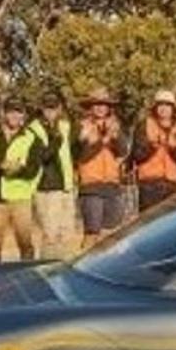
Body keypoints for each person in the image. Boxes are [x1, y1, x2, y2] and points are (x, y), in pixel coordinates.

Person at [0, 96, 45, 264]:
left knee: (26, 244)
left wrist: (18, 169)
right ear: (4, 113)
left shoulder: (32, 138)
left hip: (21, 199)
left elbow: (33, 170)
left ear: (23, 115)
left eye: (18, 112)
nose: (14, 116)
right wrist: (0, 168)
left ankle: (28, 277)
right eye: (11, 111)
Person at [74, 87, 129, 248]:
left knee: (111, 233)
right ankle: (82, 264)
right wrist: (103, 140)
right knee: (92, 233)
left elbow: (123, 151)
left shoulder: (115, 125)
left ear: (108, 107)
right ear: (90, 107)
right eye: (96, 104)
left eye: (103, 104)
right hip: (91, 187)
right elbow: (81, 156)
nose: (100, 107)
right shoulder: (82, 127)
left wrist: (116, 135)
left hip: (112, 185)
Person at [29, 91, 78, 258]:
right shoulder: (33, 129)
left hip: (66, 186)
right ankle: (46, 270)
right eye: (47, 108)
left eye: (54, 108)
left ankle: (64, 271)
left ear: (60, 109)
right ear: (42, 109)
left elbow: (74, 152)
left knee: (67, 234)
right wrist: (56, 140)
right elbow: (42, 157)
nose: (51, 112)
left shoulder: (65, 126)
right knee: (50, 236)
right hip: (46, 187)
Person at [131, 88, 176, 212]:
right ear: (155, 108)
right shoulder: (143, 126)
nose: (163, 108)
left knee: (170, 224)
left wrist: (173, 149)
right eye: (160, 105)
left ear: (173, 109)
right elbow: (137, 156)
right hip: (149, 185)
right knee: (148, 224)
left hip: (173, 185)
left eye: (167, 105)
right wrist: (153, 146)